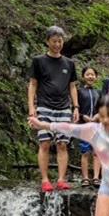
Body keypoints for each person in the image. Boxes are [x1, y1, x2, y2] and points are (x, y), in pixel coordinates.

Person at [28, 26, 80, 192]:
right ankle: (44, 179)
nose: (58, 44)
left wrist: (76, 107)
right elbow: (33, 84)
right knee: (44, 143)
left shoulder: (69, 63)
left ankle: (61, 179)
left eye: (60, 41)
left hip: (64, 108)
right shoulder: (39, 61)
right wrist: (31, 107)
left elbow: (72, 87)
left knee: (62, 144)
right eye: (54, 41)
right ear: (47, 42)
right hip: (44, 106)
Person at [77, 66, 102, 187]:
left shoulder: (99, 92)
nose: (90, 76)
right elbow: (75, 108)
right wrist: (82, 116)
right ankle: (85, 177)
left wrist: (98, 115)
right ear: (83, 77)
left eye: (92, 74)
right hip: (84, 126)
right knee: (85, 152)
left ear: (96, 77)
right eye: (87, 74)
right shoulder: (79, 92)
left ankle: (96, 177)